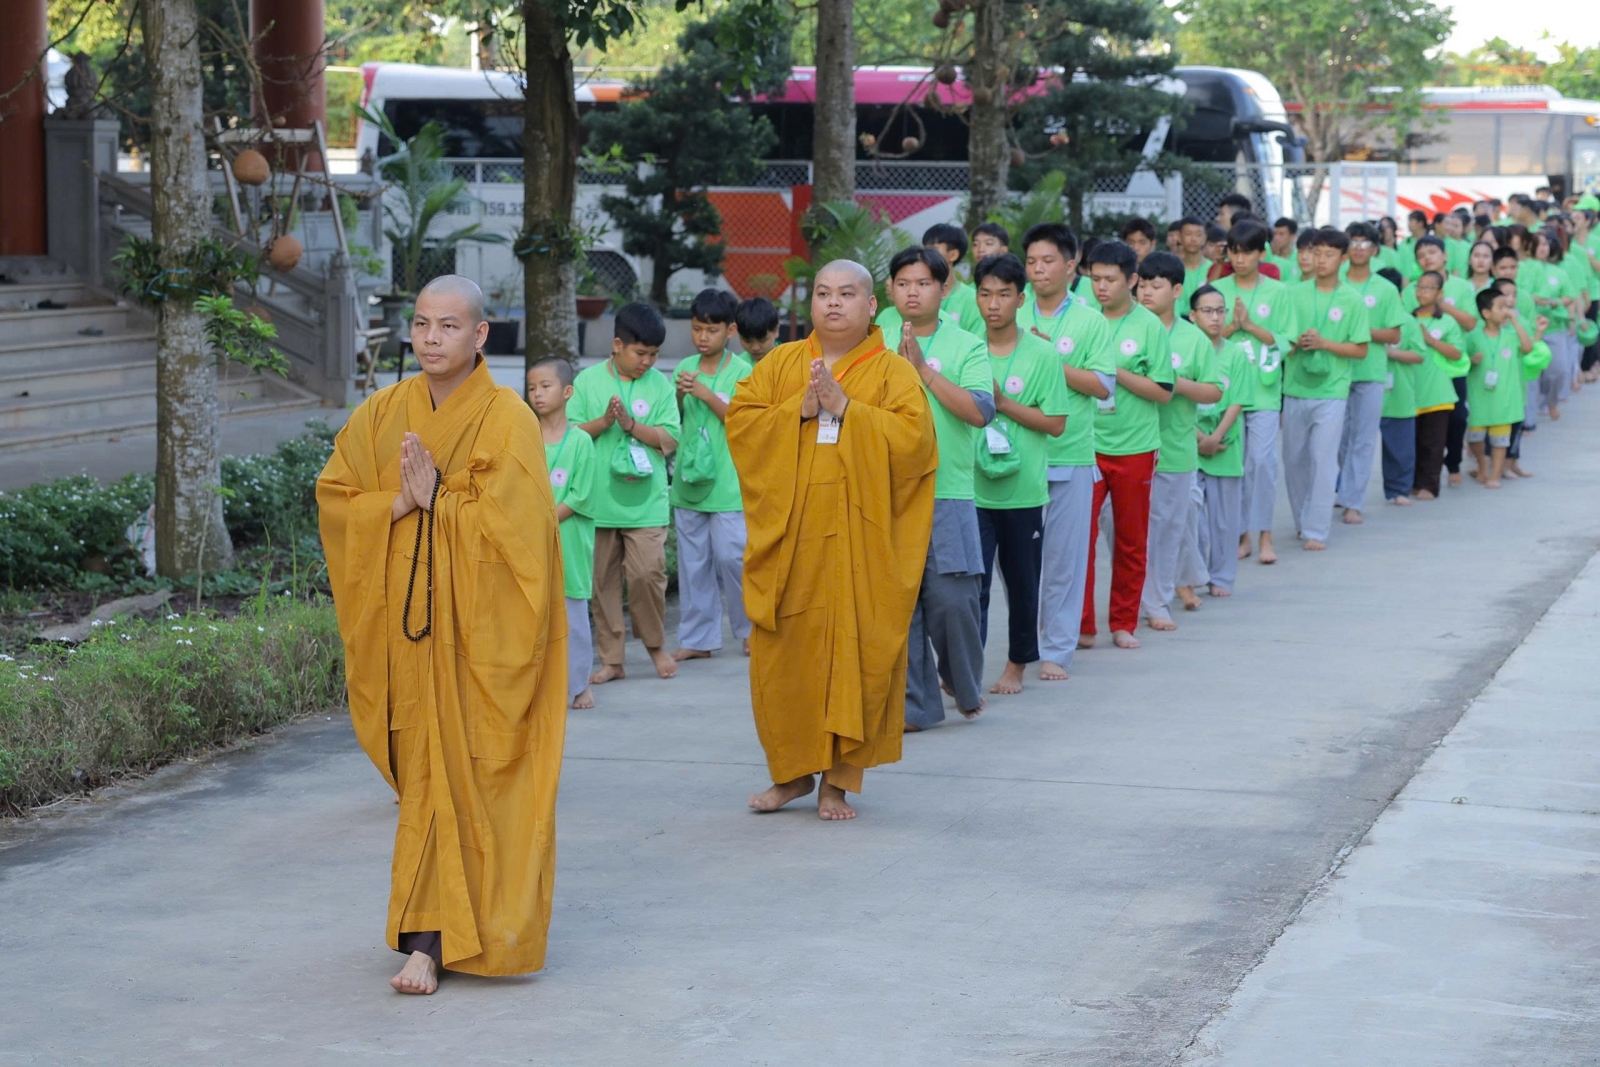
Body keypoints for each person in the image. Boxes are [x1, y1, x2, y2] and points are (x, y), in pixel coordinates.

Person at [317, 275, 567, 996]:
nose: (431, 338)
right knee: (426, 780)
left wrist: (441, 505)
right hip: (409, 637)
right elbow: (335, 497)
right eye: (422, 324)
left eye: (448, 326)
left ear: (481, 335)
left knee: (477, 780)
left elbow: (522, 538)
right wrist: (396, 502)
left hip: (479, 642)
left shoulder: (507, 418)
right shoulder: (383, 412)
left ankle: (441, 939)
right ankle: (432, 934)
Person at [728, 259, 937, 821]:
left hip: (858, 545)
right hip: (791, 541)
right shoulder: (781, 363)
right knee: (785, 656)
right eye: (823, 293)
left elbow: (917, 446)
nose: (834, 303)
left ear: (873, 306)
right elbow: (742, 423)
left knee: (855, 653)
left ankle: (836, 784)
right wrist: (799, 407)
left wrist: (848, 410)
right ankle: (792, 774)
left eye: (847, 293)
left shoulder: (893, 372)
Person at [885, 247, 992, 729]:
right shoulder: (870, 338)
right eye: (904, 282)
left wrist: (925, 370)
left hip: (948, 491)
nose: (913, 290)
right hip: (885, 492)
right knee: (898, 606)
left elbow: (980, 411)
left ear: (944, 289)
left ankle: (964, 686)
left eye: (924, 282)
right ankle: (916, 706)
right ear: (889, 289)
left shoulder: (967, 344)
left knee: (954, 601)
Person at [965, 252, 1069, 694]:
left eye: (1004, 294)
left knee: (1023, 586)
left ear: (1021, 299)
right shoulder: (965, 348)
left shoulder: (1042, 354)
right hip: (971, 489)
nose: (993, 304)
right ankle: (965, 669)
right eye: (985, 294)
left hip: (1023, 493)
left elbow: (1056, 423)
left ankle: (1016, 665)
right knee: (973, 587)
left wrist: (1003, 405)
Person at [1017, 223, 1113, 682]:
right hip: (1016, 455)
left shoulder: (1090, 320)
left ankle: (1057, 648)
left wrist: (1049, 356)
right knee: (1018, 562)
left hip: (1070, 452)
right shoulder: (1009, 313)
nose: (1038, 270)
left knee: (1064, 560)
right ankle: (1025, 642)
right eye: (1032, 262)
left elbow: (1101, 385)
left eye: (1048, 261)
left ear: (1071, 265)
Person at [571, 302, 681, 684]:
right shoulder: (587, 382)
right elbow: (570, 435)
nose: (647, 362)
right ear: (618, 345)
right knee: (601, 582)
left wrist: (631, 424)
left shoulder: (661, 386)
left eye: (653, 354)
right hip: (597, 501)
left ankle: (654, 645)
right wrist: (604, 422)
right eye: (640, 353)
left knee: (648, 573)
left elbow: (669, 438)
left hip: (646, 503)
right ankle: (612, 659)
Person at [1081, 240, 1174, 650]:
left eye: (1110, 279)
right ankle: (1082, 625)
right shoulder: (1081, 319)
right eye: (1095, 278)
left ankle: (1123, 621)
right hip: (1086, 444)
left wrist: (1112, 372)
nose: (1101, 287)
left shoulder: (1149, 326)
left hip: (1135, 446)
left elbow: (1163, 391)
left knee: (1130, 538)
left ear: (1132, 280)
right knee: (1077, 538)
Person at [1136, 252, 1221, 630]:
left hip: (1173, 448)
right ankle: (1134, 594)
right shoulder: (1126, 327)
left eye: (1156, 286)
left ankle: (1157, 601)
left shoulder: (1192, 338)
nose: (1147, 293)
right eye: (1142, 285)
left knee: (1168, 529)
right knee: (1121, 528)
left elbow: (1213, 391)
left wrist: (1169, 382)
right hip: (1124, 444)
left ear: (1176, 291)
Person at [670, 289, 755, 662]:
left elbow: (741, 421)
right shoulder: (683, 367)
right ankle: (698, 638)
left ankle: (749, 629)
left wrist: (704, 394)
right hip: (688, 482)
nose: (703, 337)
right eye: (697, 329)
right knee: (692, 564)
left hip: (727, 483)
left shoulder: (743, 371)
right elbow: (674, 420)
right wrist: (677, 396)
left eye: (711, 330)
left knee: (733, 557)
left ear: (731, 331)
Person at [1211, 219, 1297, 565]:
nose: (1241, 258)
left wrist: (1250, 327)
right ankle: (1240, 534)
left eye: (1247, 252)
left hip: (1262, 391)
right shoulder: (1218, 289)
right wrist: (1233, 325)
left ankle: (1265, 534)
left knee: (1262, 462)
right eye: (1234, 252)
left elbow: (1287, 342)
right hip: (1227, 392)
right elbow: (1205, 340)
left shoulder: (1278, 292)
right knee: (1233, 464)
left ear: (1262, 253)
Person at [1282, 228, 1370, 551]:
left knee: (1323, 458)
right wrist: (1297, 344)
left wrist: (1324, 344)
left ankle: (1317, 529)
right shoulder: (1293, 294)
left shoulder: (1352, 300)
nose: (1320, 260)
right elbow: (1283, 339)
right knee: (1293, 460)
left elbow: (1360, 349)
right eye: (1316, 253)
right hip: (1294, 386)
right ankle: (1301, 519)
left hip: (1333, 390)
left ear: (1343, 259)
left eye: (1329, 254)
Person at [529, 356, 599, 710]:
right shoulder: (526, 439)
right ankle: (540, 684)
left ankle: (579, 684)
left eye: (545, 386)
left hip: (569, 542)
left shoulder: (581, 441)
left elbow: (581, 496)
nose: (537, 394)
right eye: (531, 388)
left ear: (567, 391)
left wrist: (541, 520)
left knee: (572, 616)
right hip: (530, 542)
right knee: (534, 614)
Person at [1334, 222, 1404, 526]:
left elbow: (1393, 334)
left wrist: (1361, 332)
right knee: (1337, 440)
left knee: (1362, 439)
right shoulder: (1332, 283)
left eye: (1365, 243)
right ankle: (1342, 486)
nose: (1359, 248)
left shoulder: (1385, 289)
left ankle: (1352, 501)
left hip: (1370, 372)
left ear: (1375, 250)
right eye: (1354, 242)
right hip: (1334, 370)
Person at [1191, 284, 1251, 597]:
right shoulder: (1186, 350)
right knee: (1193, 518)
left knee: (1225, 519)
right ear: (1192, 315)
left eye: (1220, 311)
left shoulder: (1236, 354)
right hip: (1189, 442)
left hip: (1225, 443)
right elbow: (1177, 400)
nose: (1215, 318)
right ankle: (1194, 574)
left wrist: (1214, 437)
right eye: (1207, 311)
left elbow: (1238, 400)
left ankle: (1223, 577)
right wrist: (1200, 437)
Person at [1462, 286, 1531, 488]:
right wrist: (1472, 361)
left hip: (1504, 397)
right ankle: (1483, 465)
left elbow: (1527, 348)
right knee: (1475, 436)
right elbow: (1461, 361)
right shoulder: (1473, 337)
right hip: (1479, 396)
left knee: (1501, 439)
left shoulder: (1510, 335)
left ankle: (1495, 474)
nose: (1506, 310)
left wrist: (1516, 322)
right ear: (1486, 313)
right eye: (1501, 307)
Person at [1409, 271, 1468, 500]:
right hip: (1412, 390)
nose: (1422, 292)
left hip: (1438, 391)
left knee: (1434, 443)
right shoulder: (1408, 319)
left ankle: (1429, 485)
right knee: (1413, 441)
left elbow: (1456, 353)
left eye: (1429, 288)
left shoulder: (1447, 322)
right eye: (1419, 287)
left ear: (1440, 293)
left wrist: (1432, 341)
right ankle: (1412, 481)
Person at [1376, 267, 1425, 507]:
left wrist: (1391, 353)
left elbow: (1418, 355)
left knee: (1401, 446)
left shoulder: (1407, 321)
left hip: (1399, 393)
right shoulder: (1364, 315)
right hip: (1366, 389)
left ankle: (1399, 489)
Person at [925, 222, 986, 335]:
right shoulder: (918, 295)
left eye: (933, 250)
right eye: (924, 250)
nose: (925, 256)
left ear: (953, 255)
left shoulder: (972, 300)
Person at [735, 296, 781, 362]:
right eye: (747, 341)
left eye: (762, 340)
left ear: (776, 330)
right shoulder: (738, 365)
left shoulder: (787, 361)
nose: (755, 348)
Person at [1177, 217, 1210, 297]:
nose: (1193, 239)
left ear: (1204, 239)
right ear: (1179, 237)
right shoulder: (1173, 269)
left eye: (1198, 235)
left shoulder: (1212, 269)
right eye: (1188, 234)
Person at [1267, 217, 1301, 283]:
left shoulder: (1299, 257)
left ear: (1292, 237)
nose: (1276, 238)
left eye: (1281, 234)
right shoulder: (1268, 257)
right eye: (1275, 233)